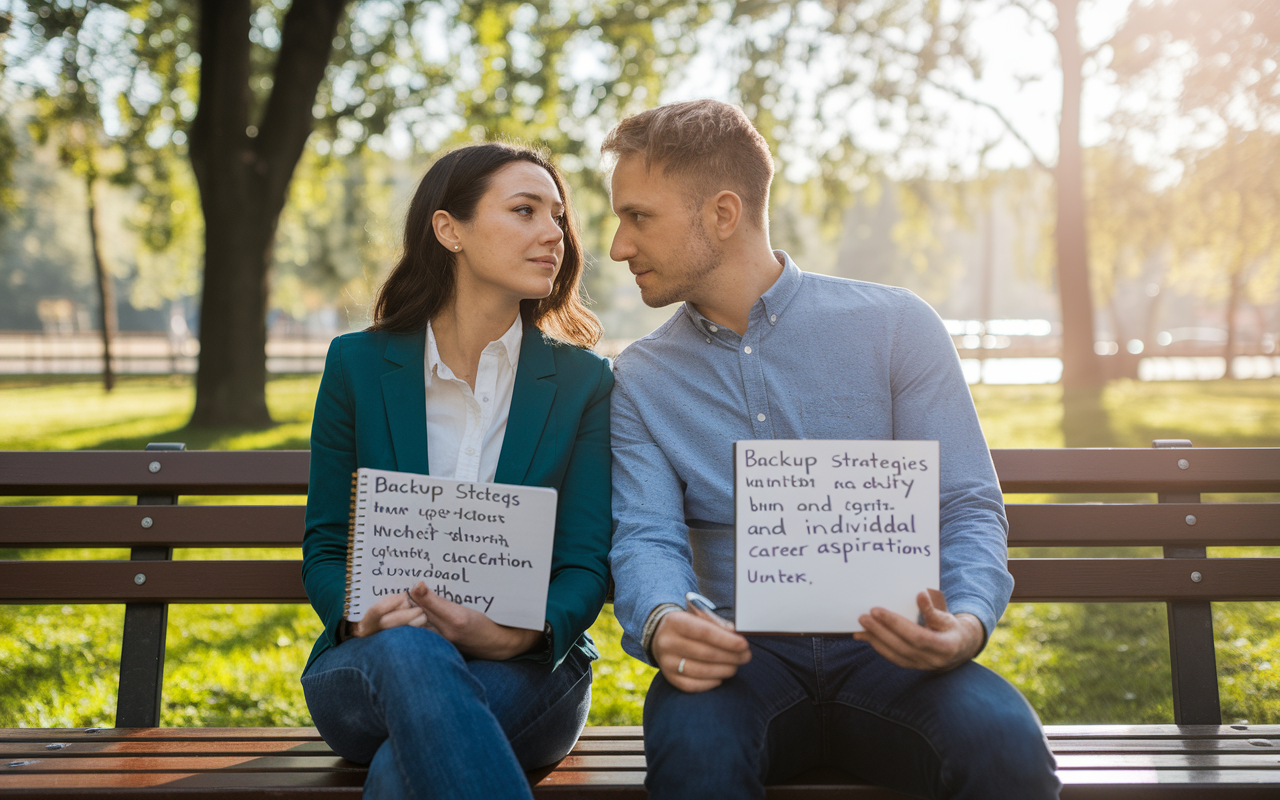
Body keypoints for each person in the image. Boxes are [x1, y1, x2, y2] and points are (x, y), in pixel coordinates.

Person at [604, 100, 1060, 799]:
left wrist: (966, 623)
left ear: (723, 213)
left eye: (638, 216)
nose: (618, 246)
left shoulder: (895, 326)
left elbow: (965, 501)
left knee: (1004, 747)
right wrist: (663, 619)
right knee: (697, 758)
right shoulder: (640, 378)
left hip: (894, 652)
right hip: (737, 660)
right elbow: (645, 534)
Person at [301, 142, 613, 800]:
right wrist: (361, 621)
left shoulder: (583, 381)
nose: (552, 233)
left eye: (558, 216)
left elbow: (585, 563)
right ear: (449, 230)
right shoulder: (357, 366)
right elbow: (327, 543)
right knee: (413, 656)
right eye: (525, 211)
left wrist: (510, 635)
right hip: (372, 662)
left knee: (400, 770)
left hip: (529, 670)